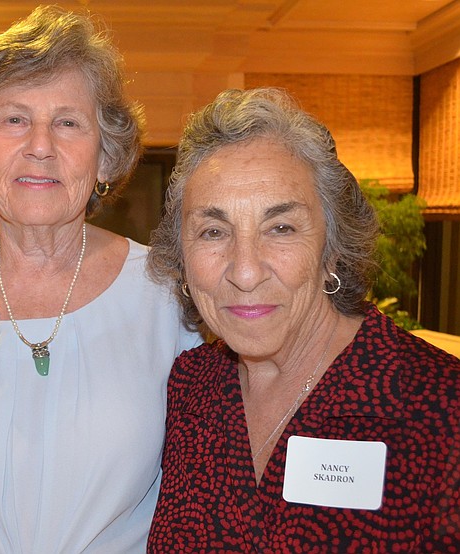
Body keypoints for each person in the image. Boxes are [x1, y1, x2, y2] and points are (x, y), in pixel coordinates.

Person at [0, 5, 200, 553]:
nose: (41, 146)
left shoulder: (166, 293)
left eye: (68, 122)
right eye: (15, 119)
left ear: (105, 159)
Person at [146, 87, 460, 551]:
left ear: (332, 248)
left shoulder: (439, 408)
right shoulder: (192, 391)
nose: (246, 270)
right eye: (213, 232)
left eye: (281, 228)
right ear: (183, 260)